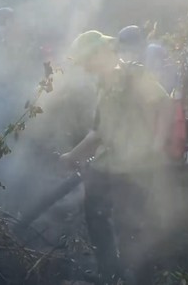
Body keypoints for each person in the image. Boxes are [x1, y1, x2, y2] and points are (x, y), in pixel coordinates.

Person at [60, 30, 173, 284]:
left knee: (130, 227)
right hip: (107, 163)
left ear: (101, 53)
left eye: (87, 61)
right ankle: (109, 273)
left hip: (136, 166)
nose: (86, 68)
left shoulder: (135, 75)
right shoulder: (102, 85)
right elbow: (98, 132)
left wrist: (156, 143)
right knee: (95, 216)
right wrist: (72, 155)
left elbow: (165, 105)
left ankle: (138, 278)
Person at [117, 25, 179, 95]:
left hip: (169, 97)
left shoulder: (151, 51)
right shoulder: (147, 51)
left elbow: (153, 82)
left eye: (124, 48)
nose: (124, 52)